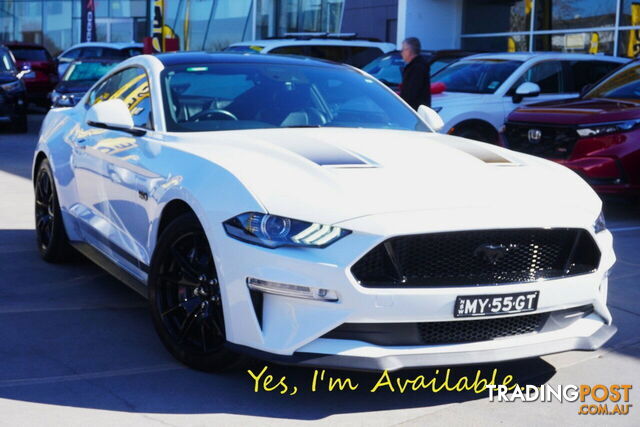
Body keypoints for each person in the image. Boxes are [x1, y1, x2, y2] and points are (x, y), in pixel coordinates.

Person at [400, 37, 431, 110]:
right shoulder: (416, 66)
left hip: (415, 111)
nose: (401, 53)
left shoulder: (417, 68)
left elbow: (411, 93)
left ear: (409, 51)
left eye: (403, 50)